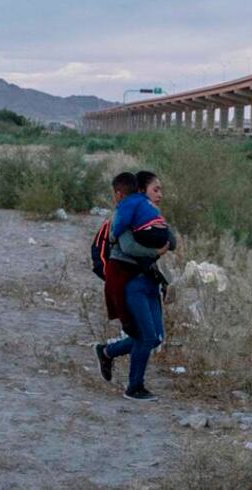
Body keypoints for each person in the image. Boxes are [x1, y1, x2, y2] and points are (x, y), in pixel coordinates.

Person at [95, 171, 174, 401]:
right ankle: (134, 387)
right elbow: (128, 247)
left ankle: (107, 351)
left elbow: (172, 241)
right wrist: (156, 251)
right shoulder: (124, 217)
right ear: (140, 192)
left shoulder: (150, 215)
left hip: (149, 280)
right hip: (131, 282)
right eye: (155, 190)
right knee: (145, 336)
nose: (159, 195)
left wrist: (159, 227)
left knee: (155, 337)